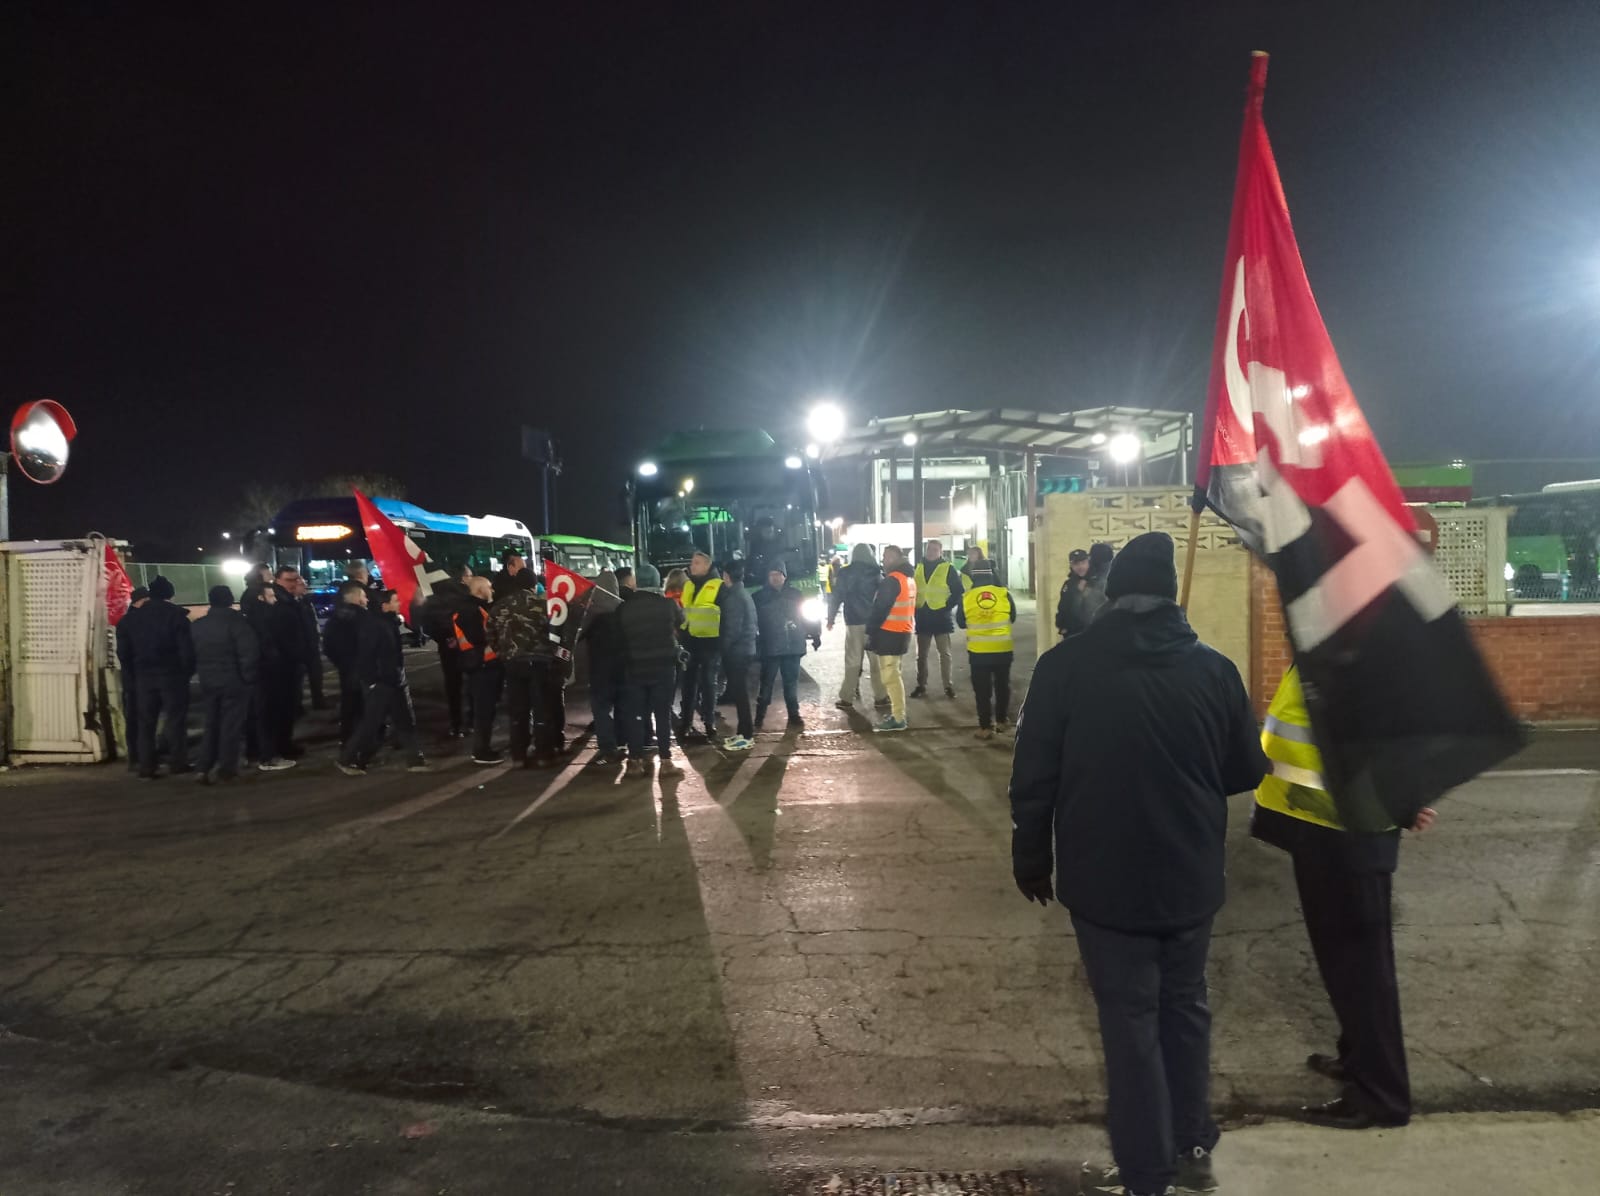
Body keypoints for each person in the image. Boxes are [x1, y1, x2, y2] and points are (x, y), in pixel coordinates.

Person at [1010, 532, 1268, 1196]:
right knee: (1184, 1003)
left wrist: (1032, 857)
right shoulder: (1214, 670)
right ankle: (1190, 1131)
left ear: (1113, 592)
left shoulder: (1064, 669)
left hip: (1103, 881)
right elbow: (1243, 771)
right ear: (1170, 597)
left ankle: (1147, 1169)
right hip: (1190, 876)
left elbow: (1034, 777)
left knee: (1129, 1021)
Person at [1254, 667, 1435, 1132]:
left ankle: (1381, 1097)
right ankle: (1358, 1059)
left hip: (1348, 833)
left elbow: (1395, 724)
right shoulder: (1333, 643)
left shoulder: (1353, 649)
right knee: (1349, 966)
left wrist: (1407, 796)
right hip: (1325, 828)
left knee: (1361, 971)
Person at [338, 589, 428, 774]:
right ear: (384, 605)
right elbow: (367, 655)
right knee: (371, 723)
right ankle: (348, 759)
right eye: (395, 601)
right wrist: (373, 681)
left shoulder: (388, 623)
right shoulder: (375, 626)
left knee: (404, 721)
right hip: (383, 682)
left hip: (393, 680)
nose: (399, 604)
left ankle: (415, 760)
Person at [121, 575, 196, 778]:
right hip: (171, 676)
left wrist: (133, 676)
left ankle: (147, 765)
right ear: (169, 594)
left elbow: (124, 653)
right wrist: (185, 673)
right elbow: (187, 651)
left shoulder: (130, 620)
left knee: (146, 722)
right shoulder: (176, 616)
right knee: (175, 720)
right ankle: (177, 762)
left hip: (143, 677)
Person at [617, 563, 685, 778]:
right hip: (663, 669)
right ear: (657, 581)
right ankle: (666, 762)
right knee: (662, 715)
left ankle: (635, 761)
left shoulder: (623, 608)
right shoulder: (668, 605)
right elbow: (682, 623)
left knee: (636, 715)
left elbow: (617, 638)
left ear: (638, 582)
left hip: (635, 669)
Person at [190, 584, 259, 783]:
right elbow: (249, 653)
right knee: (231, 726)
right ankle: (227, 768)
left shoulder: (198, 625)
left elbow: (190, 654)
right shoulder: (238, 623)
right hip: (234, 681)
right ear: (230, 601)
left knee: (212, 724)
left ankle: (203, 766)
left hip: (208, 680)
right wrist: (248, 678)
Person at [955, 559, 1017, 740]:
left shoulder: (967, 597)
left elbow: (960, 622)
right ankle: (1002, 721)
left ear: (973, 576)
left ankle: (985, 727)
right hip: (1003, 649)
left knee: (982, 691)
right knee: (1002, 686)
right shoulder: (1004, 593)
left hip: (979, 652)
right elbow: (1012, 617)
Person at [754, 563, 820, 729]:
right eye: (772, 574)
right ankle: (759, 715)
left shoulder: (796, 595)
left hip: (793, 646)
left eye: (779, 574)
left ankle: (794, 715)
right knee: (766, 684)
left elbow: (807, 616)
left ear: (785, 576)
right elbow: (752, 622)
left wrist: (816, 634)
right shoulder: (759, 597)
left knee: (791, 684)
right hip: (770, 648)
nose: (776, 578)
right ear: (768, 577)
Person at [241, 581, 296, 771]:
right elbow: (271, 648)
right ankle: (268, 757)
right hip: (267, 674)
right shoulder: (267, 619)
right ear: (260, 598)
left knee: (254, 716)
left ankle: (254, 754)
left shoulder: (245, 619)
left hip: (251, 675)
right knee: (267, 716)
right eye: (271, 596)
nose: (275, 600)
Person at [827, 543, 886, 710]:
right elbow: (883, 598)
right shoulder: (876, 573)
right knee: (876, 661)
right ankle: (881, 696)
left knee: (852, 660)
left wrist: (830, 618)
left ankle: (847, 698)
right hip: (873, 623)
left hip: (853, 621)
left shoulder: (845, 572)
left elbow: (836, 597)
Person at [579, 570, 627, 766]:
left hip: (599, 669)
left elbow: (578, 636)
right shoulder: (623, 610)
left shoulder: (591, 614)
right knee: (622, 706)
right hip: (622, 668)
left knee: (601, 709)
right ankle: (623, 741)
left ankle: (607, 747)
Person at [421, 562, 474, 738]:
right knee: (473, 684)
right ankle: (472, 721)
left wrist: (445, 638)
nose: (471, 579)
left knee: (453, 686)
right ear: (462, 578)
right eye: (469, 576)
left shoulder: (434, 597)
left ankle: (456, 724)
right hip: (467, 646)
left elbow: (427, 624)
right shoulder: (466, 595)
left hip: (447, 648)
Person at [867, 545, 915, 732]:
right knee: (895, 674)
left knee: (890, 677)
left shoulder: (893, 580)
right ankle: (898, 713)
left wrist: (870, 631)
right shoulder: (908, 579)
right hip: (902, 632)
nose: (883, 560)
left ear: (895, 558)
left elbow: (880, 609)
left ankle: (898, 718)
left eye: (887, 557)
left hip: (890, 634)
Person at [457, 575, 504, 764]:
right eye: (488, 587)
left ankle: (483, 748)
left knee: (487, 711)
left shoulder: (476, 609)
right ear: (479, 590)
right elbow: (481, 637)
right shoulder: (470, 611)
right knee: (484, 711)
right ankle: (481, 752)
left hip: (483, 666)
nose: (492, 590)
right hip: (481, 667)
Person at [678, 551, 722, 741]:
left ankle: (709, 722)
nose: (691, 566)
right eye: (692, 563)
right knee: (688, 684)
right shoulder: (688, 585)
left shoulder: (718, 586)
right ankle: (686, 722)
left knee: (708, 683)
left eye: (696, 563)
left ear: (706, 565)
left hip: (710, 643)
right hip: (689, 642)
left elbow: (724, 616)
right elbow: (683, 611)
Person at [911, 538, 963, 699]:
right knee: (921, 655)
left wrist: (946, 607)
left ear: (941, 552)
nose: (931, 552)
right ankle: (921, 685)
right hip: (923, 616)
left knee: (944, 653)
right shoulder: (918, 567)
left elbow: (957, 591)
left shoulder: (948, 568)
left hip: (940, 617)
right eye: (929, 549)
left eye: (934, 549)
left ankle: (948, 686)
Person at [322, 580, 370, 746]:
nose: (367, 600)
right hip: (363, 670)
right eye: (364, 596)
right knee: (363, 707)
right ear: (356, 598)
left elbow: (328, 646)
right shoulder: (363, 619)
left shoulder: (334, 620)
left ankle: (348, 739)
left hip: (346, 669)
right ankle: (359, 745)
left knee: (349, 705)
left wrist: (341, 663)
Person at [717, 561, 757, 750]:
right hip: (744, 650)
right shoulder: (741, 593)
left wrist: (722, 649)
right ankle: (743, 733)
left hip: (738, 652)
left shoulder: (734, 598)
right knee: (739, 695)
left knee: (741, 696)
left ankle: (747, 736)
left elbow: (732, 630)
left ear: (727, 576)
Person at [115, 586, 151, 773]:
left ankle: (136, 757)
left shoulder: (126, 622)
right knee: (141, 718)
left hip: (131, 677)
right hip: (138, 677)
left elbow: (122, 653)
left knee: (135, 719)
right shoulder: (137, 621)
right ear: (141, 600)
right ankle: (140, 757)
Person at [1056, 542, 1113, 638]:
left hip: (1092, 632)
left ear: (1088, 562)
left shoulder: (1097, 581)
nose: (1080, 567)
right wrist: (1062, 625)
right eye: (1076, 564)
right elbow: (1063, 606)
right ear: (1071, 566)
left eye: (1083, 563)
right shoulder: (1069, 584)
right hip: (1072, 632)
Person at [292, 574, 328, 712]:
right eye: (302, 584)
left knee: (316, 675)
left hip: (312, 643)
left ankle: (318, 701)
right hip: (304, 645)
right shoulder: (295, 604)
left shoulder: (306, 601)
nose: (305, 586)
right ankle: (298, 706)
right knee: (300, 678)